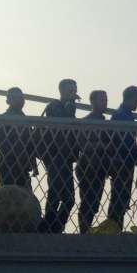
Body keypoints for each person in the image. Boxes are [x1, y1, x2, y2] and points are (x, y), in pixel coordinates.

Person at [38, 79, 79, 233]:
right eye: (70, 90)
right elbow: (63, 125)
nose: (73, 93)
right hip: (54, 155)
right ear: (61, 91)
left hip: (66, 157)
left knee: (66, 197)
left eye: (74, 90)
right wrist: (70, 107)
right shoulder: (53, 106)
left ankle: (54, 227)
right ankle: (49, 227)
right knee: (56, 193)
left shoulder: (68, 107)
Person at [107, 86, 137, 228]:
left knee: (120, 197)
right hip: (122, 161)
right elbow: (125, 141)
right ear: (131, 98)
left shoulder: (124, 114)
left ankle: (115, 228)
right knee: (119, 197)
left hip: (124, 161)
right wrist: (135, 153)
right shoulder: (122, 115)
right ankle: (114, 228)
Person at [76, 90, 110, 234]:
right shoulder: (86, 122)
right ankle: (83, 232)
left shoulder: (104, 122)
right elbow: (82, 144)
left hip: (100, 167)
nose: (105, 102)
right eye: (102, 100)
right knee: (88, 202)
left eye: (105, 99)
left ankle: (86, 230)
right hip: (87, 166)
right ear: (93, 102)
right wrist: (102, 145)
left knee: (94, 203)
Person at [0, 88, 36, 190]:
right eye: (15, 98)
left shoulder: (23, 119)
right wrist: (17, 152)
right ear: (8, 100)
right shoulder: (4, 119)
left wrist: (32, 163)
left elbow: (29, 143)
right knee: (11, 197)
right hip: (9, 164)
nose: (20, 100)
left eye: (21, 97)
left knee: (20, 197)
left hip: (21, 165)